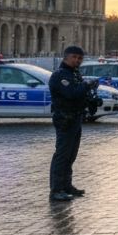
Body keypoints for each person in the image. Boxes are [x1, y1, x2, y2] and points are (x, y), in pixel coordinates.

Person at [48, 45, 98, 202]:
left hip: (75, 118)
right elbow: (71, 93)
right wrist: (86, 85)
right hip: (64, 119)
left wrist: (92, 101)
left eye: (80, 58)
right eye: (74, 57)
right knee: (62, 155)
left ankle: (66, 186)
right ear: (66, 57)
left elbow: (80, 95)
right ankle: (56, 190)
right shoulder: (60, 75)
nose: (77, 60)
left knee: (71, 155)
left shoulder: (74, 74)